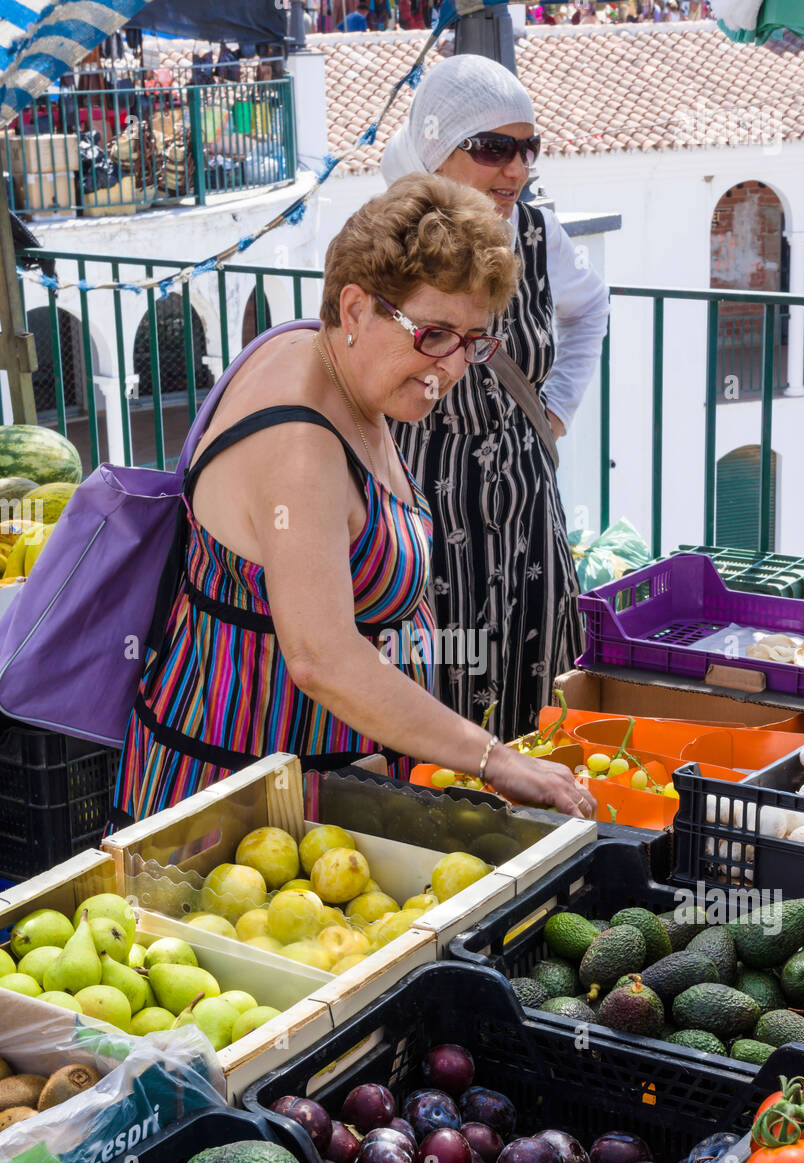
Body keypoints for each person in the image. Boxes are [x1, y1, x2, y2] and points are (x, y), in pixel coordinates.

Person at [109, 176, 594, 830]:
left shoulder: (324, 356)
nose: (451, 366)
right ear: (357, 307)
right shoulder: (301, 449)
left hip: (312, 795)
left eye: (474, 341)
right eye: (433, 334)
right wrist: (492, 759)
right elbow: (322, 657)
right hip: (238, 814)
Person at [380, 56, 609, 745]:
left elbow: (590, 307)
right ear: (435, 150)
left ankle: (536, 829)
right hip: (422, 500)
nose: (516, 169)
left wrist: (558, 409)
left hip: (525, 502)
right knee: (436, 685)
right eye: (493, 148)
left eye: (527, 148)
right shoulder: (389, 244)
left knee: (536, 676)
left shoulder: (537, 236)